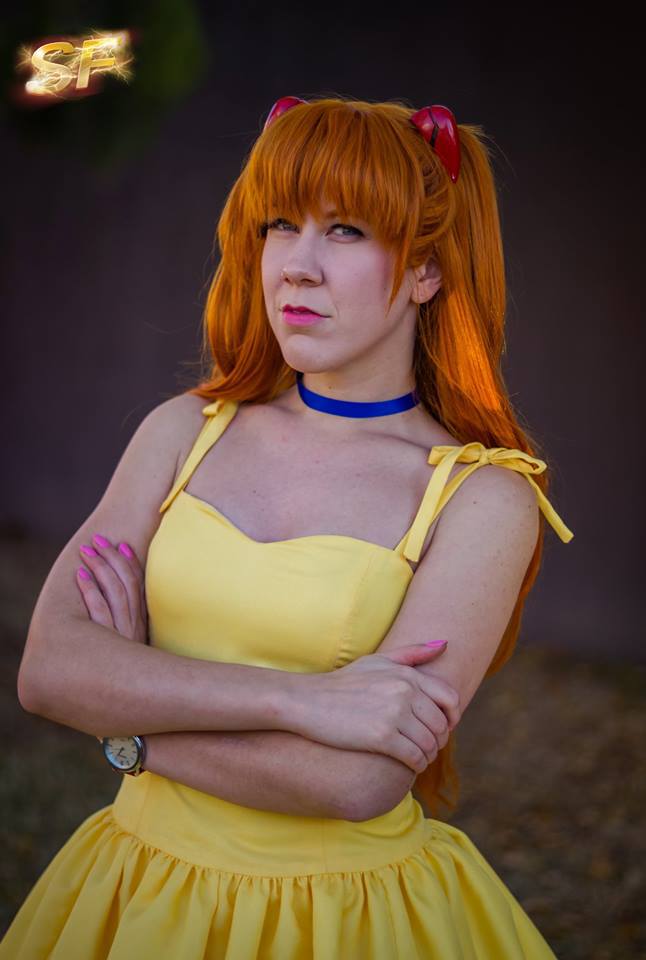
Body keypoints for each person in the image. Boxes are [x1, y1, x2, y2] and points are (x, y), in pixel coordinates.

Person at [3, 95, 574, 959]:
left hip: (343, 920)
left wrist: (126, 722)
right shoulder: (182, 431)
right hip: (134, 894)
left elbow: (358, 780)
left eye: (346, 230)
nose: (297, 268)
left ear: (426, 271)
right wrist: (304, 700)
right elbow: (48, 671)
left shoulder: (482, 496)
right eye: (280, 225)